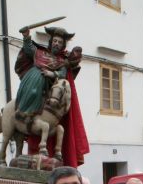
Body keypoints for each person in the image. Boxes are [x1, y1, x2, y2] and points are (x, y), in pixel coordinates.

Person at [14, 26, 88, 167]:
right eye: (54, 41)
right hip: (31, 82)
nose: (56, 44)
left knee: (41, 96)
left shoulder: (62, 62)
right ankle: (23, 117)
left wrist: (51, 74)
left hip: (48, 88)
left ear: (62, 45)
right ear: (51, 42)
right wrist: (26, 36)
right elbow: (29, 49)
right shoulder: (40, 53)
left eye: (59, 42)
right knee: (33, 92)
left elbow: (62, 75)